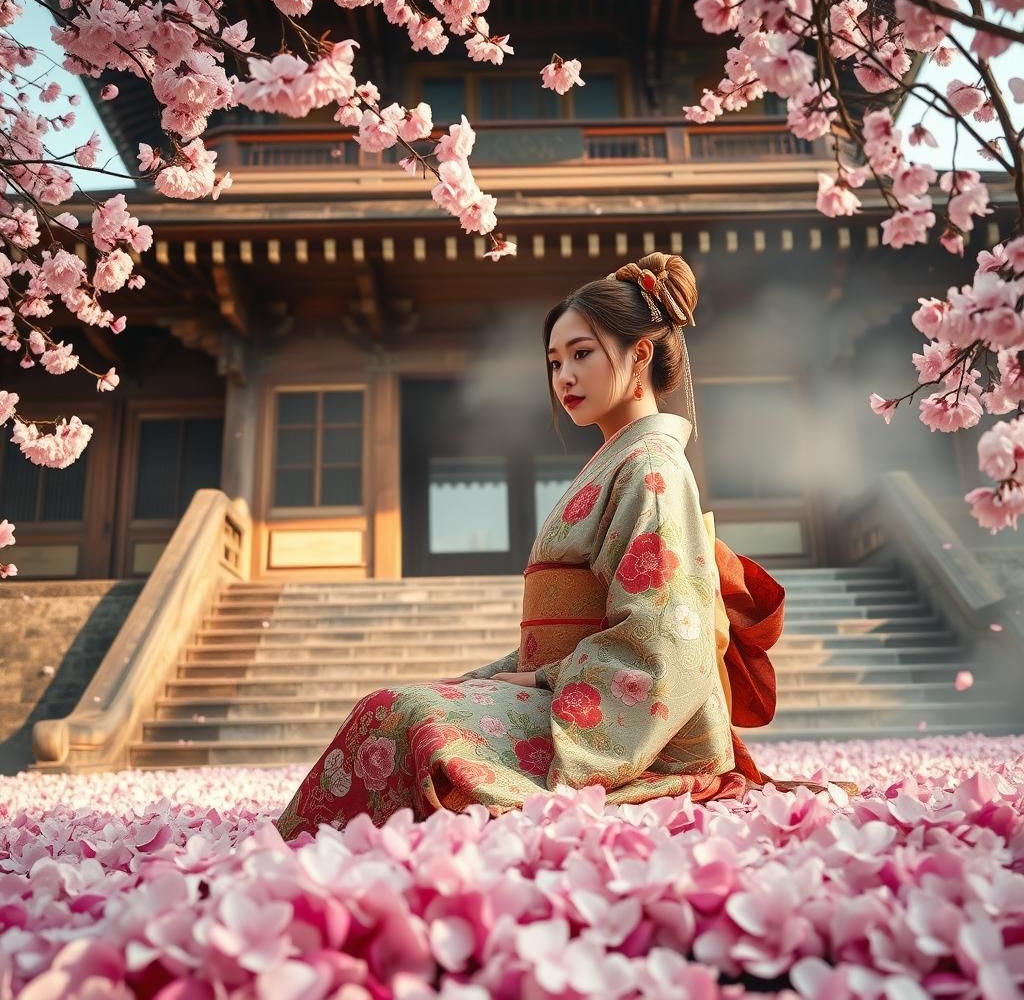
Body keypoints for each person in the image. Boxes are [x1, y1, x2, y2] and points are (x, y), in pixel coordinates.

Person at [274, 251, 842, 842]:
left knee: (410, 719)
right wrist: (504, 677)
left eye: (581, 354)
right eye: (554, 361)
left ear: (640, 354)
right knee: (403, 705)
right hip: (568, 688)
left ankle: (312, 849)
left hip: (613, 722)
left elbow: (663, 637)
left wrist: (550, 681)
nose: (563, 376)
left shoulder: (651, 469)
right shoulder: (622, 461)